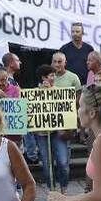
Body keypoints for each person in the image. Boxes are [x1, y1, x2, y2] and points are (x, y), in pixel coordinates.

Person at [34, 65, 72, 193]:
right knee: (46, 163)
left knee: (62, 161)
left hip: (58, 132)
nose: (53, 78)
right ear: (43, 78)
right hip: (42, 134)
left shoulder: (59, 91)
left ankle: (64, 187)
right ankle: (52, 189)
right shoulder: (34, 93)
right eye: (51, 76)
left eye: (53, 75)